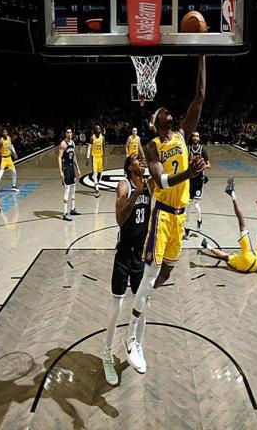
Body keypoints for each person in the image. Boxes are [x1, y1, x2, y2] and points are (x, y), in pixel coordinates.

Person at [124, 56, 207, 373]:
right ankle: (131, 338)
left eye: (170, 114)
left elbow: (200, 96)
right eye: (163, 114)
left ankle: (142, 294)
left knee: (166, 273)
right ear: (155, 123)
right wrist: (188, 173)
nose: (169, 115)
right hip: (161, 215)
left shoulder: (183, 135)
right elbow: (160, 180)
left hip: (180, 217)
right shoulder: (151, 146)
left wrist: (201, 53)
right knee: (151, 274)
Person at [102, 153, 153, 384]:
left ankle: (137, 346)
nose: (141, 160)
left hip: (141, 256)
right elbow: (120, 219)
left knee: (142, 304)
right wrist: (136, 194)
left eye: (142, 158)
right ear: (129, 167)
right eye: (136, 159)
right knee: (117, 307)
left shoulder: (150, 185)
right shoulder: (125, 185)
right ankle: (106, 355)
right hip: (124, 254)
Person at [201, 178, 257, 273]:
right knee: (227, 257)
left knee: (242, 223)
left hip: (250, 260)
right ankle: (207, 245)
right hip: (245, 267)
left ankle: (232, 193)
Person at [184, 131, 210, 238]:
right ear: (192, 138)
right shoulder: (188, 149)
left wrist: (201, 167)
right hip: (190, 180)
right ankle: (186, 228)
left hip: (199, 180)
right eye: (194, 136)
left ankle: (199, 221)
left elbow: (209, 164)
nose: (195, 137)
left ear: (199, 138)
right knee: (188, 206)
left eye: (197, 136)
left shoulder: (202, 149)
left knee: (196, 206)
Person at [58, 128, 81, 221]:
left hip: (72, 168)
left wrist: (78, 168)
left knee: (73, 187)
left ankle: (72, 209)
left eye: (70, 132)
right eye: (67, 132)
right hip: (66, 168)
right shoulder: (63, 144)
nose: (69, 134)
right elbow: (59, 157)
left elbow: (74, 156)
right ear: (65, 133)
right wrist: (61, 171)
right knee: (67, 189)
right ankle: (65, 213)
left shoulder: (73, 143)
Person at [0, 128, 19, 198]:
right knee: (0, 174)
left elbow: (10, 147)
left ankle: (13, 186)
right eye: (4, 132)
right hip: (3, 159)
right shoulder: (1, 141)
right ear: (2, 133)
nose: (5, 132)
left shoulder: (9, 138)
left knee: (14, 172)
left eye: (6, 131)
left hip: (9, 158)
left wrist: (14, 154)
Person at [86, 125, 106, 198]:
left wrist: (105, 157)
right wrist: (87, 158)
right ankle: (97, 189)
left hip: (100, 157)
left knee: (100, 173)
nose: (98, 130)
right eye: (97, 129)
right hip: (94, 157)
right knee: (95, 172)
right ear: (94, 130)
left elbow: (103, 147)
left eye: (99, 129)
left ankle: (96, 183)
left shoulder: (102, 137)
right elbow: (89, 148)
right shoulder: (92, 138)